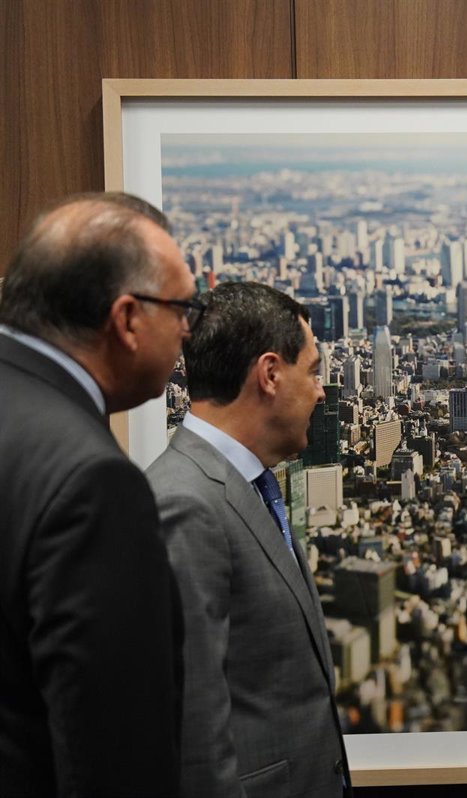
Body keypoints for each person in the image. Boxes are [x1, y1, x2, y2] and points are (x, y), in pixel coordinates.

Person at [0, 192, 193, 796]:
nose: (188, 328)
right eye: (182, 307)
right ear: (127, 319)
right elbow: (115, 760)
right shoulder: (93, 483)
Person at [146, 281, 351, 797]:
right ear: (270, 374)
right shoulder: (185, 504)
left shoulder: (248, 486)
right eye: (313, 371)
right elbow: (191, 733)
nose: (321, 391)